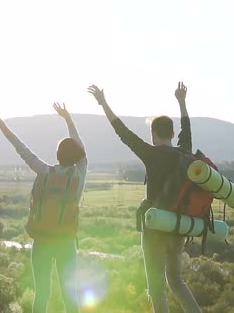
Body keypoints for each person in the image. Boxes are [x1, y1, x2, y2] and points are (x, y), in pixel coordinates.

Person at [88, 82, 201, 313]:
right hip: (178, 227)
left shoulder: (150, 153)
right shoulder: (185, 154)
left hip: (155, 229)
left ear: (152, 134)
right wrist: (182, 102)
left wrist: (103, 103)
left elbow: (122, 132)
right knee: (177, 282)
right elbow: (187, 131)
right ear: (171, 133)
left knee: (156, 288)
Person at [0, 103, 87, 313]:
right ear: (76, 157)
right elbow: (81, 150)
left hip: (41, 240)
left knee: (42, 294)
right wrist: (67, 118)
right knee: (70, 296)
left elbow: (21, 149)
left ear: (57, 154)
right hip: (66, 241)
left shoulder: (44, 171)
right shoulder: (78, 175)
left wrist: (1, 124)